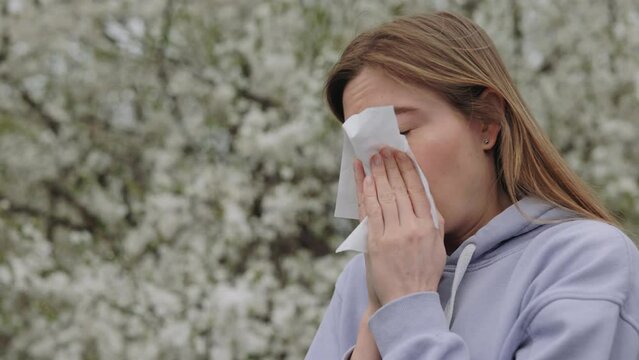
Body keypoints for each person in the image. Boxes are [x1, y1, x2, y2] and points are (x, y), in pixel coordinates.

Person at [305, 11, 639, 360]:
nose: (382, 169)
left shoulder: (584, 261)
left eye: (400, 132)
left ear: (486, 121)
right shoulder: (360, 280)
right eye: (363, 148)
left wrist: (407, 305)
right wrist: (376, 311)